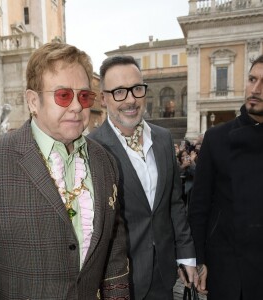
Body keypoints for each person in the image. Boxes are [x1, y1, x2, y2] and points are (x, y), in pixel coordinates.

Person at [0, 43, 129, 299]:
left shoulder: (105, 162)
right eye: (63, 95)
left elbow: (114, 245)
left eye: (84, 96)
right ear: (33, 101)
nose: (77, 106)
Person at [88, 55, 198, 300]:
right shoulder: (91, 148)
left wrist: (186, 255)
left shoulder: (163, 138)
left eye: (137, 89)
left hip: (163, 275)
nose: (130, 99)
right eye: (119, 91)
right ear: (104, 98)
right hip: (117, 281)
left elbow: (174, 204)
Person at [189, 54, 263, 300]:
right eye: (252, 79)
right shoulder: (216, 138)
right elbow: (199, 206)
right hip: (229, 269)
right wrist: (199, 260)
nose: (256, 89)